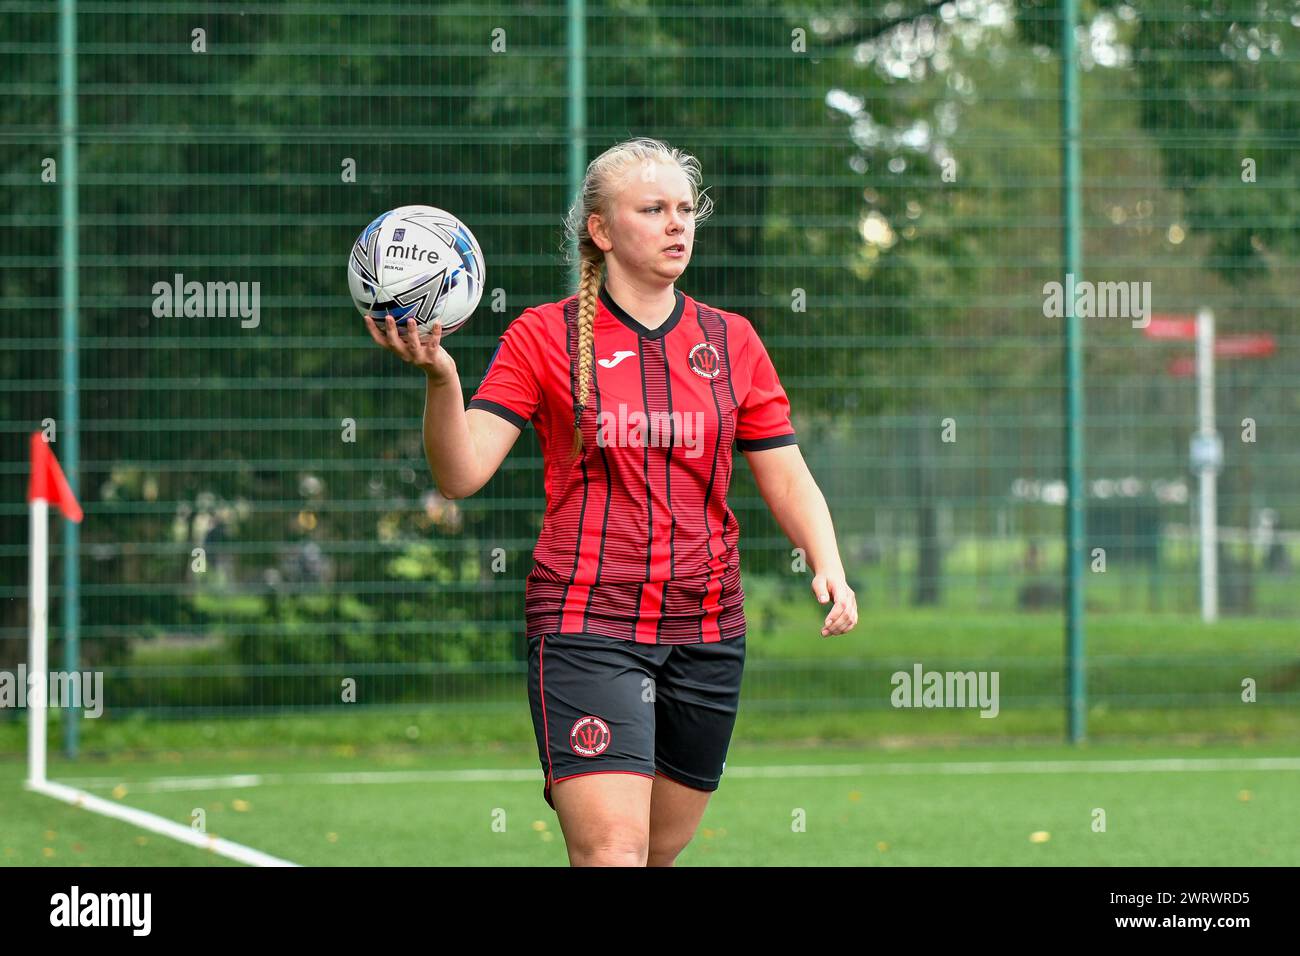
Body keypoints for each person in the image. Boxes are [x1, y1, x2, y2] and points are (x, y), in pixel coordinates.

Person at [364, 136, 858, 866]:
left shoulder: (733, 340)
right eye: (653, 208)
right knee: (611, 855)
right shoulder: (543, 335)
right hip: (585, 619)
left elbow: (785, 472)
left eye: (686, 209)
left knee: (657, 852)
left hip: (706, 624)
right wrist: (442, 379)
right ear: (600, 229)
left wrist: (829, 562)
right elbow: (461, 472)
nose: (676, 224)